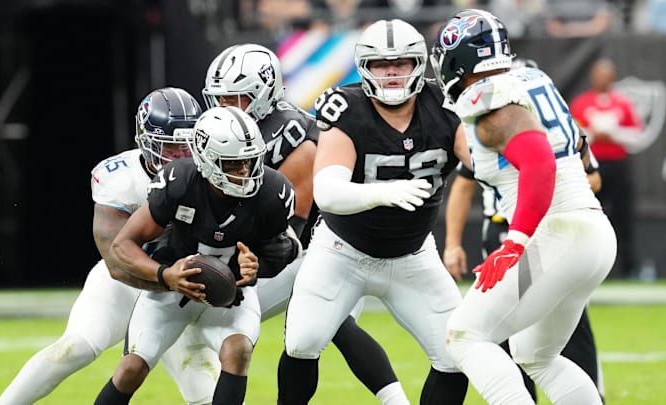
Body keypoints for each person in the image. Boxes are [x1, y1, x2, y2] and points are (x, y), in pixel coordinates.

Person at [202, 42, 412, 404]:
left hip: (321, 247)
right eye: (218, 100)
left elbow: (285, 237)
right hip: (293, 250)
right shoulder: (229, 135)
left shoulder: (294, 139)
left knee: (321, 325)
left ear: (263, 94)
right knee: (308, 335)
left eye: (235, 99)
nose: (224, 109)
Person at [277, 18, 472, 405]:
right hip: (342, 251)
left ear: (420, 63)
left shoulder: (446, 105)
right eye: (383, 64)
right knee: (302, 342)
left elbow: (480, 162)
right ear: (365, 68)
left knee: (457, 355)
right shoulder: (346, 107)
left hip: (413, 255)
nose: (393, 72)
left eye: (401, 62)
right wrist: (385, 192)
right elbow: (329, 192)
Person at [430, 8, 616, 404]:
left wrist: (515, 241)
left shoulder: (490, 99)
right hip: (591, 229)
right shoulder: (532, 79)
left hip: (556, 231)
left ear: (457, 59)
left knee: (464, 336)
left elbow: (539, 162)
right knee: (535, 354)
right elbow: (578, 152)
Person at [0, 87, 220, 405]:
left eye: (187, 146)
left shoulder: (212, 174)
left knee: (205, 393)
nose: (181, 156)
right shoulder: (119, 177)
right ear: (146, 140)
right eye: (171, 147)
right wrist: (166, 276)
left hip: (177, 294)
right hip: (129, 282)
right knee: (74, 349)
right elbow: (117, 262)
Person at [94, 106, 298, 405]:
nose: (245, 172)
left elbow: (286, 248)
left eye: (250, 161)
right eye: (233, 164)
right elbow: (123, 246)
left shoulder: (272, 191)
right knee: (131, 368)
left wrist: (257, 265)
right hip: (172, 291)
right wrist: (165, 275)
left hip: (232, 295)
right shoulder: (179, 180)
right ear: (207, 159)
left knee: (238, 350)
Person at [570, 57, 644, 279]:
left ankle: (629, 268)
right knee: (590, 216)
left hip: (618, 165)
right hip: (592, 167)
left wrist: (614, 134)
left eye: (606, 74)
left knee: (623, 216)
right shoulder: (582, 103)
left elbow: (637, 135)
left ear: (613, 76)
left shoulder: (623, 103)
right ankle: (588, 269)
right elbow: (573, 135)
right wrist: (594, 133)